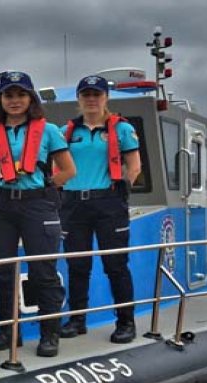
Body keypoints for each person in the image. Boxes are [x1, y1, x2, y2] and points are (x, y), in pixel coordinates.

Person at [0, 71, 76, 357]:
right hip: (1, 206)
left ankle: (50, 334)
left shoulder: (48, 131)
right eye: (8, 95)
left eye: (21, 94)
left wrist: (46, 188)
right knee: (1, 272)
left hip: (37, 205)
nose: (14, 100)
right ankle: (9, 332)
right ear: (0, 98)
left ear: (30, 97)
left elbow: (69, 170)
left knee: (43, 271)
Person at [59, 75, 141, 344]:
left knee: (116, 265)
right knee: (77, 265)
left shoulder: (122, 129)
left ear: (106, 97)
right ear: (79, 99)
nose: (91, 99)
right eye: (86, 95)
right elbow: (57, 166)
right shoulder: (67, 131)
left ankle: (126, 322)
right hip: (72, 204)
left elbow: (134, 166)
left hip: (108, 202)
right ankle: (77, 319)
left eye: (97, 94)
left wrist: (118, 194)